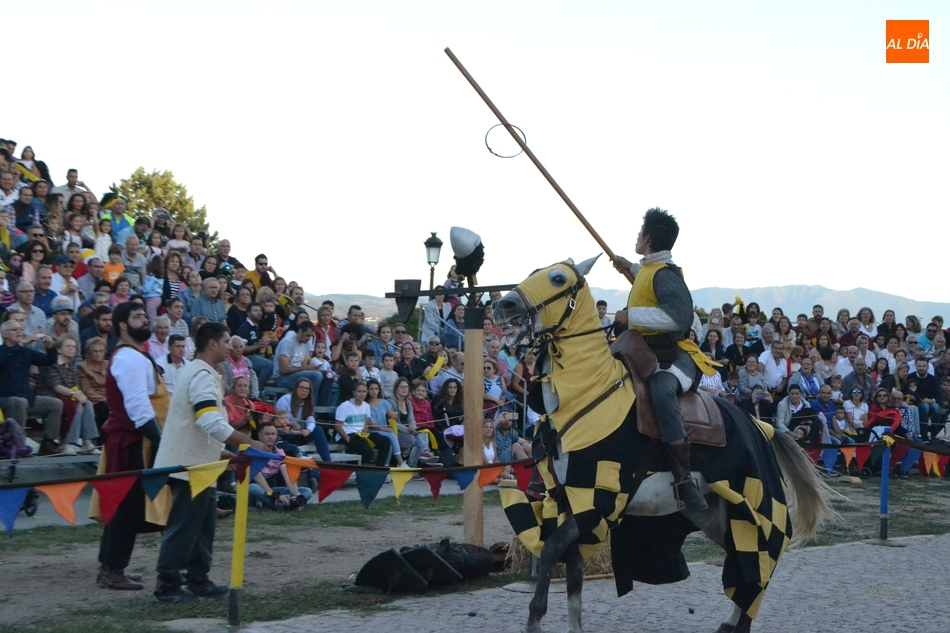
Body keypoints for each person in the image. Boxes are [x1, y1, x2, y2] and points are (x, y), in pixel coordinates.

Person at [152, 322, 266, 603]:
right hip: (188, 467)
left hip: (202, 465)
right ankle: (167, 587)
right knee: (184, 527)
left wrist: (218, 453)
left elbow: (199, 424)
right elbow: (208, 420)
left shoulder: (202, 373)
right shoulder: (202, 375)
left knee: (203, 526)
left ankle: (198, 580)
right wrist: (250, 443)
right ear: (213, 344)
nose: (231, 347)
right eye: (227, 341)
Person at [612, 208, 715, 512]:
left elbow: (676, 318)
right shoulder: (649, 268)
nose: (636, 237)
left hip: (674, 359)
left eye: (639, 232)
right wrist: (627, 267)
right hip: (645, 353)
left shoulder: (667, 275)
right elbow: (645, 279)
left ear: (647, 238)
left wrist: (629, 315)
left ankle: (682, 476)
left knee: (660, 390)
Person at [94, 302, 169, 591]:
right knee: (127, 507)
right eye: (137, 317)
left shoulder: (136, 356)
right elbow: (138, 406)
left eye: (144, 314)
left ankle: (110, 567)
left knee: (124, 506)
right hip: (129, 441)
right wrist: (161, 440)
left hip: (133, 439)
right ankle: (113, 570)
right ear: (123, 325)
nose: (145, 320)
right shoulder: (129, 358)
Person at [0, 320, 66, 454]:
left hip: (26, 397)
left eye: (20, 329)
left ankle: (48, 442)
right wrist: (22, 343)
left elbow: (49, 361)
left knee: (55, 404)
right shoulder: (2, 351)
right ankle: (17, 444)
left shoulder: (26, 352)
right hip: (5, 398)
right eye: (14, 329)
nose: (19, 332)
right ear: (4, 334)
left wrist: (49, 347)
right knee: (19, 402)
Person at [36, 335, 100, 454]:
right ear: (59, 349)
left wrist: (81, 395)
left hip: (69, 396)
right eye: (68, 346)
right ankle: (66, 443)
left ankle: (87, 443)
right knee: (76, 406)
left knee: (88, 404)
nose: (71, 349)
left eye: (74, 347)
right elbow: (56, 386)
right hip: (51, 396)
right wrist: (75, 394)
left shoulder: (73, 368)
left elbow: (76, 386)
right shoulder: (50, 364)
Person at [248, 422, 312, 510]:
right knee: (252, 488)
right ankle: (283, 505)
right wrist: (275, 496)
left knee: (307, 491)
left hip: (275, 488)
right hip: (260, 486)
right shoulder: (253, 452)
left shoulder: (279, 452)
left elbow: (288, 476)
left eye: (273, 434)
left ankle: (284, 503)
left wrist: (296, 496)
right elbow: (258, 478)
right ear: (260, 436)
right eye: (267, 434)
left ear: (276, 436)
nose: (270, 437)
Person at [335, 381, 400, 467]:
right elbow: (337, 425)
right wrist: (347, 438)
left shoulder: (366, 405)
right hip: (347, 434)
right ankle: (352, 468)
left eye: (364, 392)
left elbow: (366, 419)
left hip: (361, 433)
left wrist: (365, 428)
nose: (361, 394)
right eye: (359, 391)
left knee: (385, 441)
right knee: (369, 454)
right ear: (354, 392)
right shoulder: (345, 406)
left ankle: (380, 469)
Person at [274, 378, 332, 462]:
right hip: (284, 435)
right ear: (296, 388)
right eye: (302, 387)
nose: (304, 390)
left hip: (298, 434)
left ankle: (327, 462)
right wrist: (291, 424)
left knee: (317, 430)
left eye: (307, 389)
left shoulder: (308, 403)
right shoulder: (285, 400)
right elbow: (278, 418)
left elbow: (311, 419)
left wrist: (308, 430)